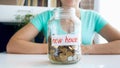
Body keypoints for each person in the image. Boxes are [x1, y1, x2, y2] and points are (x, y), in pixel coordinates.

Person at [7, 0, 120, 54]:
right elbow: (13, 45)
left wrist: (85, 49)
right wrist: (56, 48)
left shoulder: (93, 17)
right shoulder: (45, 17)